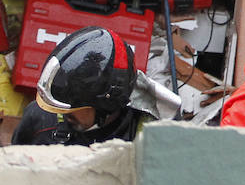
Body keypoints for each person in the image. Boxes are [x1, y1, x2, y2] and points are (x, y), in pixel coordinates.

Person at [11, 26, 154, 146]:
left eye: (71, 107)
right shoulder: (39, 118)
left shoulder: (144, 138)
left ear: (106, 106)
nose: (60, 113)